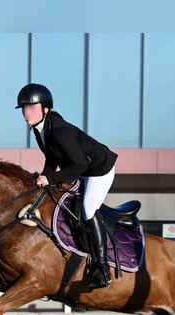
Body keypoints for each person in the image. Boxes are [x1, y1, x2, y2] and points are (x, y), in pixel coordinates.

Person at [16, 83, 118, 289]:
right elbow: (52, 159)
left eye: (31, 107)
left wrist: (51, 178)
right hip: (83, 169)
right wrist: (45, 175)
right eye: (24, 108)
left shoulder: (60, 131)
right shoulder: (40, 130)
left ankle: (102, 267)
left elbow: (79, 164)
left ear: (45, 108)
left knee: (88, 210)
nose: (26, 112)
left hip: (99, 170)